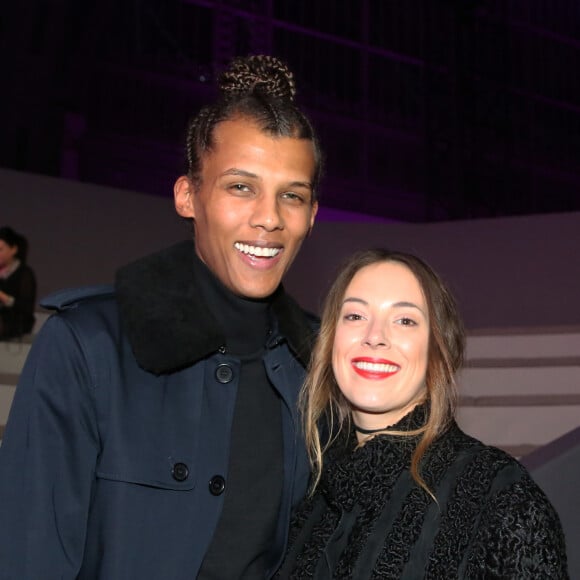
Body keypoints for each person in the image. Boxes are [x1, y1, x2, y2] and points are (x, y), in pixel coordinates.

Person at [0, 55, 322, 579]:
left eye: (292, 195)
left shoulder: (320, 367)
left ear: (311, 215)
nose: (268, 217)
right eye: (240, 186)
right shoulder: (88, 346)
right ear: (187, 196)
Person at [276, 248, 568, 579]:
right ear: (330, 341)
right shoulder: (305, 493)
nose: (375, 337)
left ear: (438, 351)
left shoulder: (499, 496)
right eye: (355, 316)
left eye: (405, 321)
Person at [0, 226, 36, 340]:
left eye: (0, 249)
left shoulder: (24, 273)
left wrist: (3, 297)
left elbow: (25, 308)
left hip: (16, 321)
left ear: (13, 249)